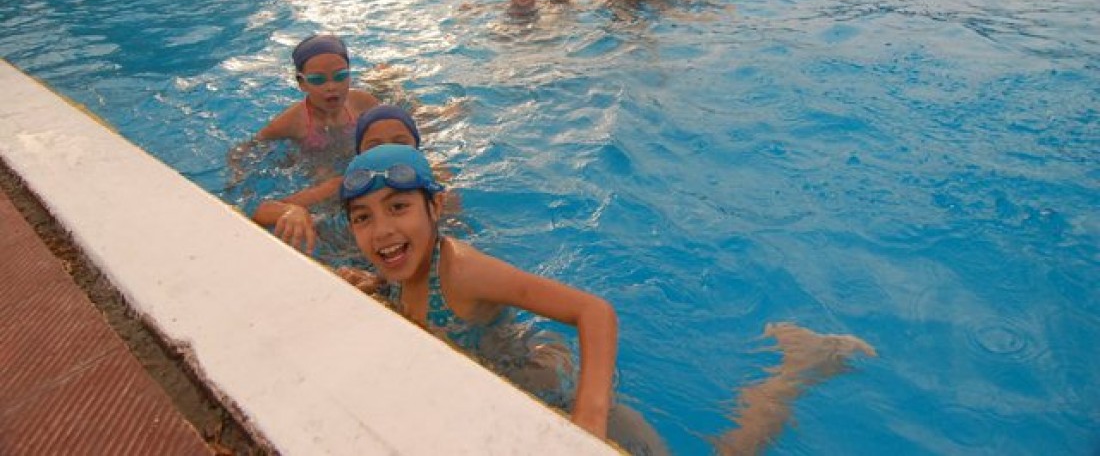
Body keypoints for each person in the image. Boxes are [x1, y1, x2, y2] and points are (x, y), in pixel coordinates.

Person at [343, 145, 876, 452]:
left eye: (398, 207)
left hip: (556, 397)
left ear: (435, 210)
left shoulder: (460, 270)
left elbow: (594, 310)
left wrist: (588, 421)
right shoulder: (395, 266)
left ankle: (797, 367)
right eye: (363, 217)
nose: (382, 230)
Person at [252, 105, 431, 261]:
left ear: (417, 147)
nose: (387, 151)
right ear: (359, 153)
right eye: (374, 146)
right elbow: (261, 213)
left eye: (400, 143)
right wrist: (291, 211)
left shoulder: (431, 186)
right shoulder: (343, 185)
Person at [255, 34, 381, 152]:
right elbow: (248, 150)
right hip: (319, 168)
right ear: (302, 83)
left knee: (384, 86)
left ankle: (380, 75)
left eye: (340, 76)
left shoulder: (363, 102)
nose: (331, 87)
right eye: (318, 80)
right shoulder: (291, 122)